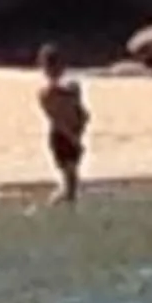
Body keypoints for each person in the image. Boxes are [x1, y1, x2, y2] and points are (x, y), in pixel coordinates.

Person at [36, 45, 91, 205]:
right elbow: (56, 120)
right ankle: (54, 205)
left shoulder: (72, 88)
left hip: (74, 134)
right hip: (61, 137)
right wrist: (73, 138)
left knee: (72, 182)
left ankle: (66, 209)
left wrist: (80, 130)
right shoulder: (46, 93)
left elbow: (81, 112)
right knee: (70, 180)